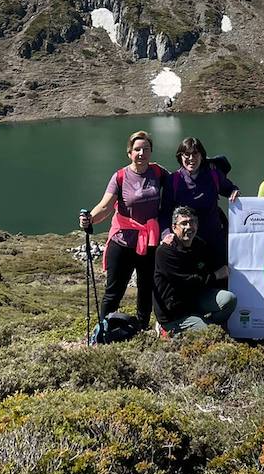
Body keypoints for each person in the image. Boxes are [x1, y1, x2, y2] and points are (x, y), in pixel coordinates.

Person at [80, 129, 168, 332]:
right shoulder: (120, 177)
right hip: (122, 242)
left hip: (149, 241)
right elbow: (105, 206)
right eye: (137, 149)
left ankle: (141, 327)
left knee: (146, 288)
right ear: (129, 153)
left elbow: (179, 183)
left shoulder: (157, 172)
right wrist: (90, 219)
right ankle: (103, 329)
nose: (141, 153)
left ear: (151, 151)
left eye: (146, 149)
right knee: (114, 291)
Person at [153, 207, 236, 335]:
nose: (189, 227)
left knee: (229, 299)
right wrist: (215, 275)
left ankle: (204, 322)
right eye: (184, 223)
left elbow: (207, 269)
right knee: (211, 333)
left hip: (194, 299)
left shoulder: (199, 245)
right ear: (174, 227)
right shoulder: (165, 251)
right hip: (175, 312)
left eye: (192, 222)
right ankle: (166, 328)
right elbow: (187, 281)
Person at [168, 137, 239, 257]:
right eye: (187, 154)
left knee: (221, 273)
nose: (191, 158)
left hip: (213, 237)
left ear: (202, 156)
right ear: (180, 156)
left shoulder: (213, 174)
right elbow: (165, 211)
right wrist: (166, 234)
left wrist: (234, 191)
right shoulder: (173, 180)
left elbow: (230, 189)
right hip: (185, 240)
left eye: (195, 153)